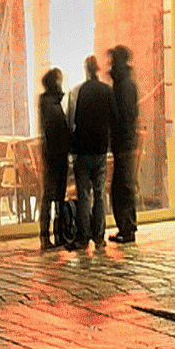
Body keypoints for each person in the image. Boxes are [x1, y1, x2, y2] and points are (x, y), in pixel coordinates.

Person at [68, 54, 116, 252]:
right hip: (100, 149)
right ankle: (99, 236)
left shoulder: (81, 91)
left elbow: (76, 120)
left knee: (84, 194)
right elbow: (113, 118)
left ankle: (83, 236)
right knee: (99, 192)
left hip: (83, 149)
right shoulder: (106, 91)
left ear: (86, 69)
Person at [107, 43, 140, 246]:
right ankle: (126, 227)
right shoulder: (123, 83)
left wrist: (120, 136)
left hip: (123, 142)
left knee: (123, 186)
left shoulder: (124, 84)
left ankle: (127, 228)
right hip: (123, 141)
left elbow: (125, 115)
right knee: (121, 186)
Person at [37, 66, 72, 249]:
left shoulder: (52, 102)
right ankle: (47, 235)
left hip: (57, 154)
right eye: (58, 80)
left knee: (58, 195)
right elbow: (56, 128)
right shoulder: (49, 102)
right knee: (51, 195)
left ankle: (58, 233)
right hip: (54, 156)